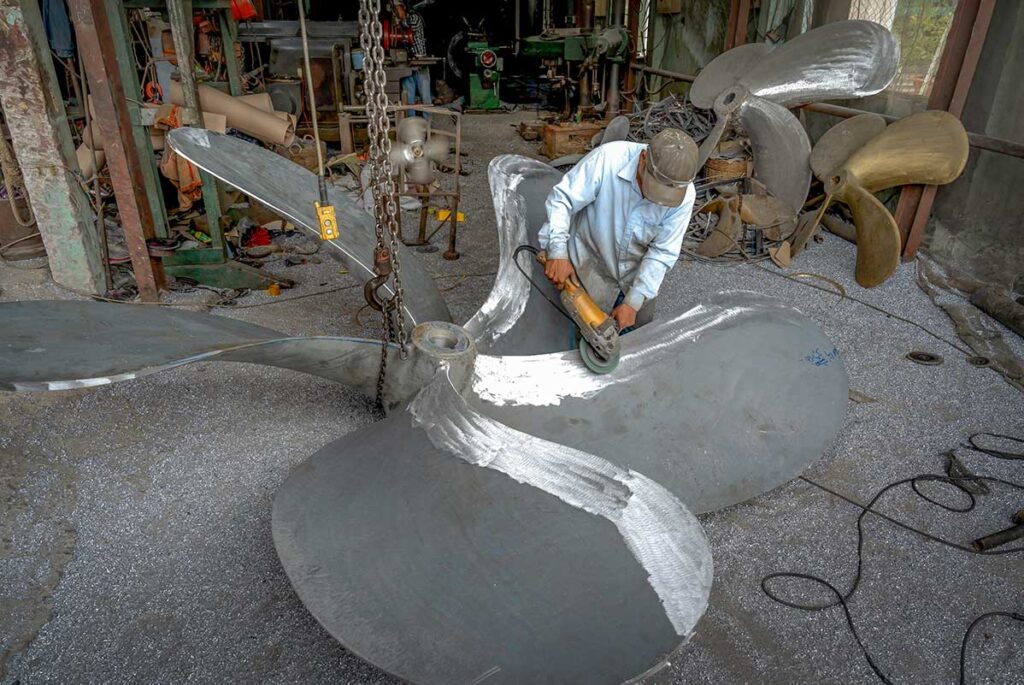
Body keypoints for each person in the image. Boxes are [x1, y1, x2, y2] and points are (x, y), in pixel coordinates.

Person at [538, 128, 698, 332]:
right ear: (642, 159)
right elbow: (563, 200)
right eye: (652, 187)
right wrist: (557, 251)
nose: (655, 200)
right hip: (587, 270)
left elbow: (662, 252)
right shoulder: (608, 160)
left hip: (634, 281)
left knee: (633, 349)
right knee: (570, 341)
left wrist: (633, 302)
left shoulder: (684, 195)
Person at [392, 1, 432, 115]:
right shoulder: (400, 21)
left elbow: (405, 27)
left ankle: (427, 125)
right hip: (407, 65)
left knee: (425, 98)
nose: (396, 12)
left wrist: (397, 22)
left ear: (403, 7)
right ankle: (411, 123)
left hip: (420, 62)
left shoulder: (414, 17)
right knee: (408, 98)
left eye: (397, 8)